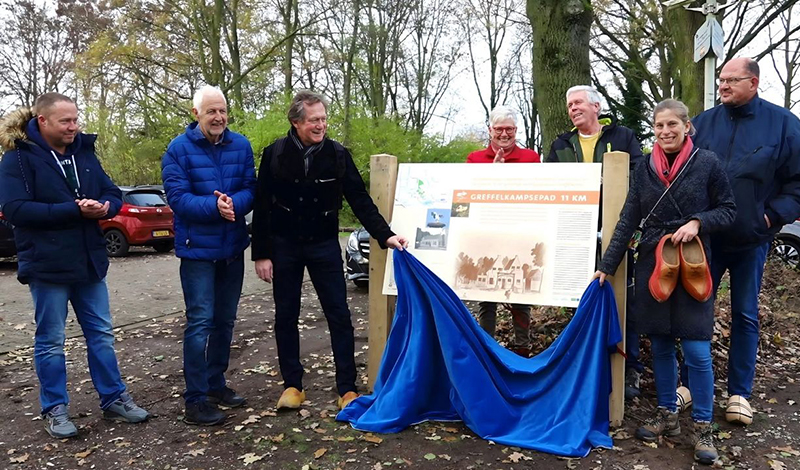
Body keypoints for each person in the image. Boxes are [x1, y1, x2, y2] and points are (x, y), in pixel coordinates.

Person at [593, 99, 735, 465]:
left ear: (688, 126)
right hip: (653, 264)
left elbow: (729, 210)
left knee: (697, 350)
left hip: (692, 264)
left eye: (673, 124)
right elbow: (628, 218)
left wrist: (699, 221)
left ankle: (702, 425)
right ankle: (668, 414)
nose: (665, 131)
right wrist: (606, 267)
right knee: (659, 344)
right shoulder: (644, 169)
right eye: (659, 126)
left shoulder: (707, 163)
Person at [0, 93, 150, 439]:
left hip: (89, 264)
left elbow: (112, 192)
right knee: (51, 341)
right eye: (66, 121)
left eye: (76, 119)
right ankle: (55, 408)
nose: (74, 126)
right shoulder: (17, 159)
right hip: (47, 267)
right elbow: (15, 210)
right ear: (43, 122)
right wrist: (74, 210)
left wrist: (105, 207)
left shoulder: (84, 151)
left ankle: (114, 399)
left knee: (101, 335)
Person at [251, 90, 408, 411]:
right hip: (284, 246)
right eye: (314, 120)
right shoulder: (275, 154)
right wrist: (261, 254)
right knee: (286, 315)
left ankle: (346, 388)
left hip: (323, 245)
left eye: (323, 119)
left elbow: (360, 200)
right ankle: (293, 386)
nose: (321, 125)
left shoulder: (338, 155)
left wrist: (385, 235)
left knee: (339, 314)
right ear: (296, 122)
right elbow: (262, 204)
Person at [691, 57, 800, 424]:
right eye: (721, 80)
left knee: (744, 314)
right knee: (696, 311)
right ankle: (693, 383)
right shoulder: (704, 124)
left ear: (753, 83)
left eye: (731, 81)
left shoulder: (784, 125)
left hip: (751, 239)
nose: (722, 86)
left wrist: (768, 217)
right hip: (707, 239)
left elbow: (797, 182)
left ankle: (739, 393)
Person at [162, 85, 257, 426]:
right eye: (211, 111)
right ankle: (195, 399)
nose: (218, 117)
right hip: (197, 252)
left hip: (232, 249)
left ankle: (216, 384)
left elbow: (251, 187)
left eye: (222, 111)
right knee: (200, 322)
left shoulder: (241, 145)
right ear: (195, 114)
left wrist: (236, 204)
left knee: (225, 322)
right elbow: (177, 198)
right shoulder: (178, 150)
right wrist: (216, 207)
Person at [546, 85, 646, 399]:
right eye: (569, 105)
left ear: (596, 107)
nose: (572, 108)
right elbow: (551, 183)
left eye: (578, 103)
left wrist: (603, 181)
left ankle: (631, 369)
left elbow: (639, 174)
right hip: (575, 233)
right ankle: (584, 365)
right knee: (580, 298)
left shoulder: (624, 136)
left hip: (617, 231)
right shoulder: (561, 144)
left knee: (623, 299)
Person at [466, 105, 539, 357]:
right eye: (499, 129)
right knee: (485, 296)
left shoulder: (531, 158)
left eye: (509, 129)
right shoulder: (474, 159)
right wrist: (492, 176)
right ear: (490, 130)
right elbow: (468, 197)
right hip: (485, 238)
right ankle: (486, 347)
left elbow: (538, 197)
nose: (504, 134)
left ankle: (522, 349)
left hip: (520, 236)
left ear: (516, 130)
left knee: (521, 294)